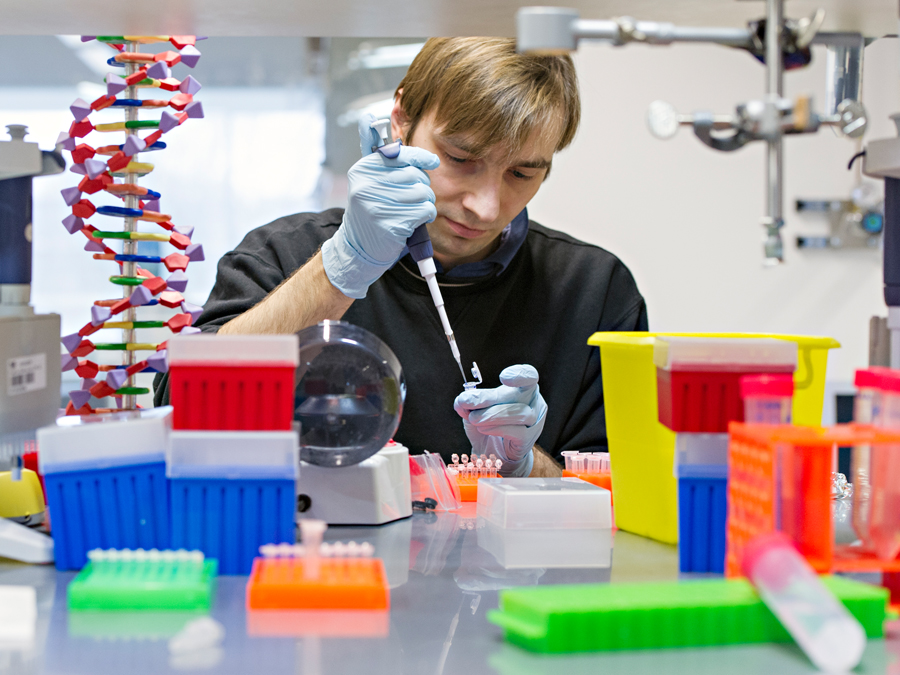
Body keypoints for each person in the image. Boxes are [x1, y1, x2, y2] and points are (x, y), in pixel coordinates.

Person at [154, 37, 647, 477]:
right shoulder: (283, 255)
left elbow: (622, 506)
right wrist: (343, 266)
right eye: (460, 159)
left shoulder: (596, 290)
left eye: (522, 173)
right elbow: (184, 411)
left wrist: (523, 463)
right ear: (402, 120)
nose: (486, 206)